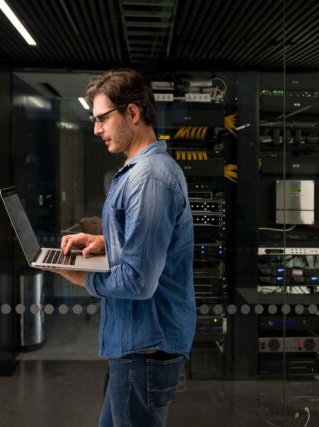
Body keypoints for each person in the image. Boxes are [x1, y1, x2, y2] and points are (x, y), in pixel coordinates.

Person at [49, 68, 196, 427]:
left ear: (132, 113)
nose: (97, 129)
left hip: (145, 345)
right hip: (136, 344)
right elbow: (147, 244)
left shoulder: (149, 179)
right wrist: (103, 241)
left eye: (102, 119)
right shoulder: (139, 170)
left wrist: (79, 276)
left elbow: (138, 282)